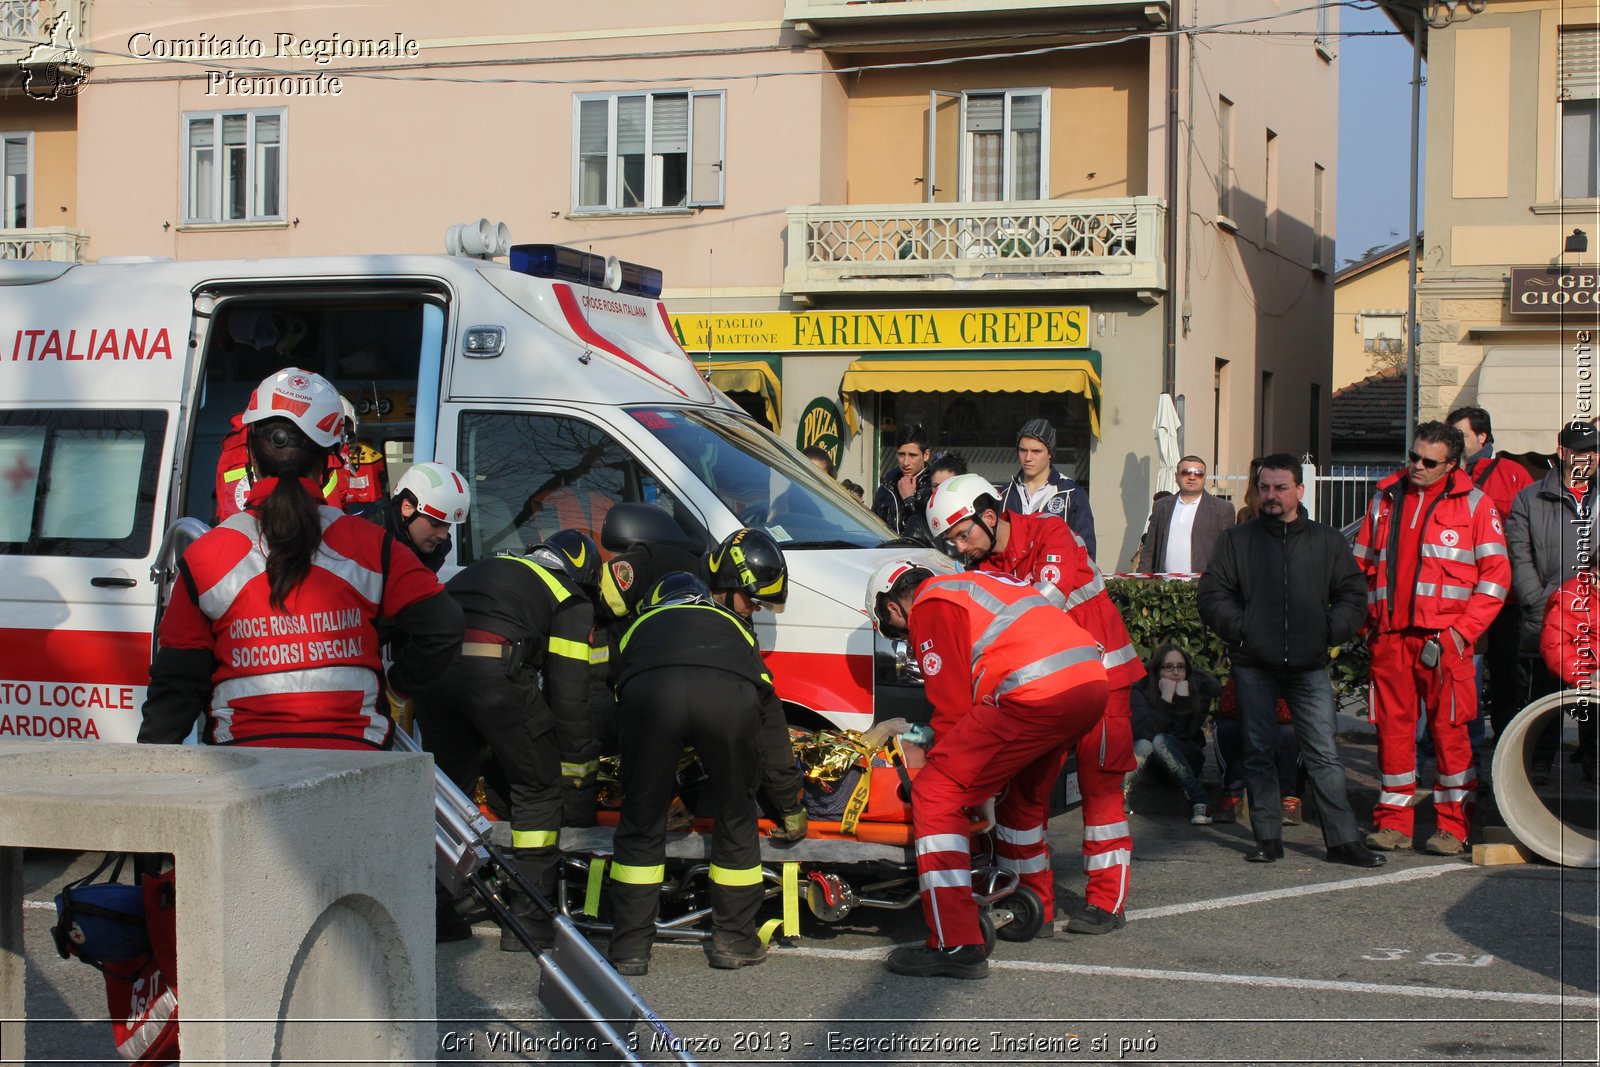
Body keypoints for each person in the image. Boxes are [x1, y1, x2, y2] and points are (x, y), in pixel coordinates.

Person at [140, 367, 462, 751]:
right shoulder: (372, 545)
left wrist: (151, 776)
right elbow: (445, 626)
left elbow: (175, 683)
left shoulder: (207, 555)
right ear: (331, 455)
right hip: (356, 763)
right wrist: (397, 685)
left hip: (245, 766)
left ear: (250, 450)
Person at [866, 559, 1108, 979]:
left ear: (893, 609)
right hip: (1086, 682)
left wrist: (940, 762)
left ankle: (955, 942)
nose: (908, 640)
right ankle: (1036, 906)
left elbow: (953, 709)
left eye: (899, 635)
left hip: (1031, 691)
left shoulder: (929, 605)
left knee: (937, 794)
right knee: (1025, 798)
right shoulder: (972, 584)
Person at [925, 474, 1142, 934]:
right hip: (1042, 690)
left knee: (1100, 788)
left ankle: (1107, 901)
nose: (960, 548)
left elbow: (1045, 603)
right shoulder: (983, 567)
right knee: (1022, 794)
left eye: (962, 535)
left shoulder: (1050, 532)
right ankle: (1032, 903)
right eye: (951, 542)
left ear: (988, 514)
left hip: (1102, 675)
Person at [607, 530, 804, 977]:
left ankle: (629, 949)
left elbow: (617, 702)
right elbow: (770, 726)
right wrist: (790, 803)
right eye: (753, 601)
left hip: (651, 696)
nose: (754, 609)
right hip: (727, 699)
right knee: (736, 817)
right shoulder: (735, 630)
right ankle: (733, 942)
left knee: (640, 824)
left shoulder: (639, 626)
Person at [412, 530, 600, 949]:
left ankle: (438, 914)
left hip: (433, 675)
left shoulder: (483, 568)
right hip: (495, 672)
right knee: (537, 786)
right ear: (582, 575)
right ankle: (528, 923)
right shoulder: (569, 596)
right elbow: (568, 696)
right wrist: (576, 787)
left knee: (450, 793)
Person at [1197, 453, 1382, 868]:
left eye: (1281, 488)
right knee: (1258, 751)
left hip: (1308, 664)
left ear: (1300, 490)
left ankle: (1343, 841)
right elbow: (1212, 595)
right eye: (1264, 487)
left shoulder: (1327, 541)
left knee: (1324, 753)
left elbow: (1353, 595)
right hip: (1253, 664)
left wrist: (1327, 631)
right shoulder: (1236, 540)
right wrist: (1242, 628)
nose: (1271, 496)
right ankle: (1267, 838)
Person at [1352, 424, 1510, 856]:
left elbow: (1496, 580)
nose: (1417, 466)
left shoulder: (1477, 506)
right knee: (1393, 734)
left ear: (1453, 464)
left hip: (1446, 644)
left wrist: (1460, 635)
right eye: (1413, 456)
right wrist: (1369, 628)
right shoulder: (1384, 498)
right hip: (1390, 640)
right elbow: (1359, 568)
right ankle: (1393, 825)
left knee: (1451, 737)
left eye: (1428, 461)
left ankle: (1453, 828)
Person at [1507, 419, 1597, 782]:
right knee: (1543, 693)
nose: (1588, 459)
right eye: (1581, 451)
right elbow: (1519, 552)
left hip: (1596, 614)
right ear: (1561, 453)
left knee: (1593, 693)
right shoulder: (1530, 498)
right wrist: (1536, 598)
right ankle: (1541, 761)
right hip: (1547, 614)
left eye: (1594, 452)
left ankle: (1592, 758)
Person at [1448, 405, 1532, 756]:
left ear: (1482, 437)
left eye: (1461, 435)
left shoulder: (1513, 474)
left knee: (1506, 677)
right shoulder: (1445, 474)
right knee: (1461, 675)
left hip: (1506, 599)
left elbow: (1529, 534)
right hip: (1460, 598)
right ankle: (1461, 751)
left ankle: (1507, 749)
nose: (1454, 442)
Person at [1126, 644, 1221, 825]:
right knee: (1147, 743)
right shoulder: (1141, 688)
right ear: (1158, 669)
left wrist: (1183, 699)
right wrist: (1166, 700)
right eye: (1169, 667)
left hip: (1186, 758)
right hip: (1150, 763)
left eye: (1181, 666)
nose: (1176, 672)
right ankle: (1118, 797)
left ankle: (1200, 801)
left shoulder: (1199, 688)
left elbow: (1186, 734)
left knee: (1161, 741)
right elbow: (1144, 733)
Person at [998, 418, 1096, 558]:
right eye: (1023, 450)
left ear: (1050, 453)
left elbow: (1086, 553)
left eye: (1036, 451)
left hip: (1054, 576)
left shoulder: (1072, 494)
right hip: (1010, 578)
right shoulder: (1004, 494)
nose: (1028, 458)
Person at [350, 461, 471, 573]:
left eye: (448, 525)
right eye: (435, 523)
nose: (443, 535)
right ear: (407, 508)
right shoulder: (364, 540)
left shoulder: (438, 548)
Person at [1539, 561, 1600, 782]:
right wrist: (1580, 678)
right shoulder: (1571, 596)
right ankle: (1594, 757)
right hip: (1580, 673)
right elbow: (1555, 647)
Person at [1212, 679, 1302, 826]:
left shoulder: (1288, 666)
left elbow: (1291, 712)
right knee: (1225, 727)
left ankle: (1289, 795)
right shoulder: (1245, 667)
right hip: (1247, 726)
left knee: (1291, 731)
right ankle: (1232, 793)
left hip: (1278, 728)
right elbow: (1227, 708)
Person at [1137, 456, 1235, 574]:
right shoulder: (1161, 506)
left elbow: (1228, 552)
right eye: (1186, 473)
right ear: (1176, 476)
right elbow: (1149, 549)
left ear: (1204, 478)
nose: (1192, 478)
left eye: (1198, 474)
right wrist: (1141, 579)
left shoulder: (1222, 509)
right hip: (1164, 585)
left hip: (1204, 585)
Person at [873, 425, 935, 543]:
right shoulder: (887, 485)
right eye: (901, 454)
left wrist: (909, 500)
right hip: (887, 554)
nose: (906, 462)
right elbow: (872, 526)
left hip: (921, 557)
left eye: (912, 455)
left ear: (926, 455)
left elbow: (932, 534)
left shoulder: (934, 486)